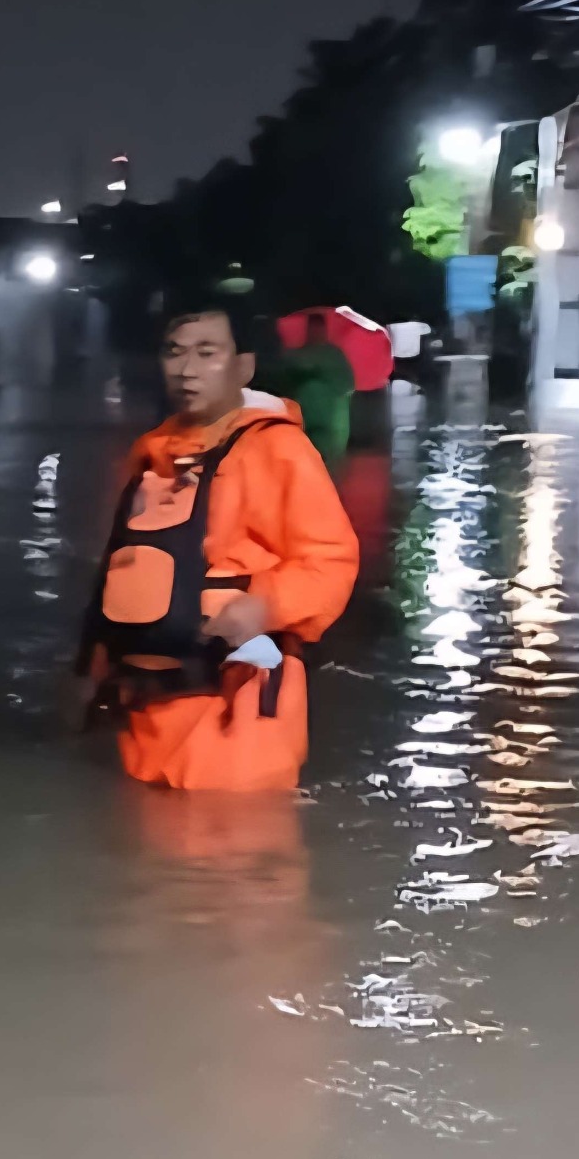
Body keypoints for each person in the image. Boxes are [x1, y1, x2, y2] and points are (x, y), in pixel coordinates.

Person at [76, 295, 359, 791]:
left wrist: (264, 608)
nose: (187, 369)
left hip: (237, 712)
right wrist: (90, 671)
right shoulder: (148, 454)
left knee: (227, 855)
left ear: (244, 365)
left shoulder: (276, 449)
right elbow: (120, 569)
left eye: (208, 353)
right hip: (143, 716)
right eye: (174, 351)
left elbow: (331, 562)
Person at [266, 311, 355, 463]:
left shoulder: (334, 355)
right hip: (303, 416)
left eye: (318, 328)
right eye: (312, 328)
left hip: (328, 420)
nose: (315, 332)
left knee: (326, 461)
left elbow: (347, 384)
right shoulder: (296, 356)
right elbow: (283, 383)